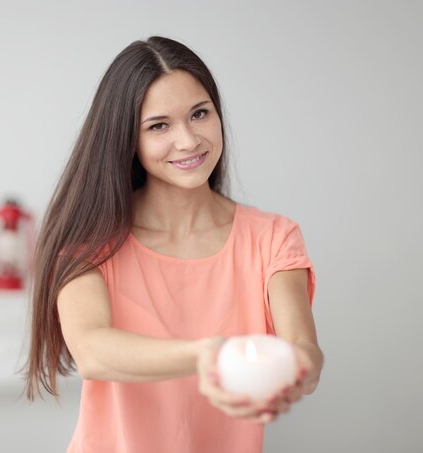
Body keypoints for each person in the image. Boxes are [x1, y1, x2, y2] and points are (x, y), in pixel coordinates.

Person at [23, 35, 323, 453]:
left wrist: (297, 371)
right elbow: (93, 350)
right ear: (126, 138)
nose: (188, 141)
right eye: (159, 125)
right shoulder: (90, 242)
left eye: (199, 114)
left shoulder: (272, 238)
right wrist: (208, 356)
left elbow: (303, 349)